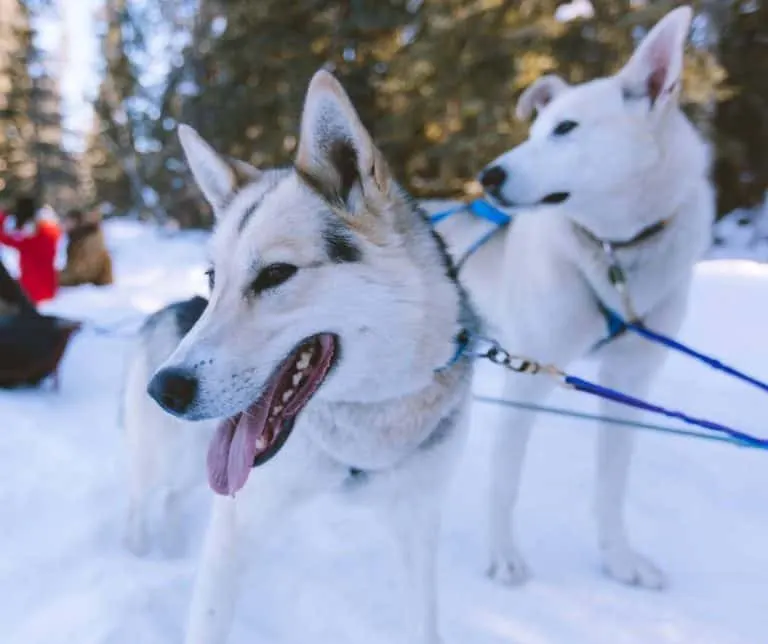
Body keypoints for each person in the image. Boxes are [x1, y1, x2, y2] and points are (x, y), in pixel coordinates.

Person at [0, 195, 61, 305]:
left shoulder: (33, 238)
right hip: (46, 288)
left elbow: (8, 240)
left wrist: (1, 218)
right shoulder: (50, 231)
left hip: (34, 291)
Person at [58, 207, 114, 287]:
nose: (64, 225)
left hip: (98, 286)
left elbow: (85, 272)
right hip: (89, 280)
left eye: (68, 222)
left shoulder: (90, 237)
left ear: (76, 222)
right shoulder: (76, 238)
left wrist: (58, 278)